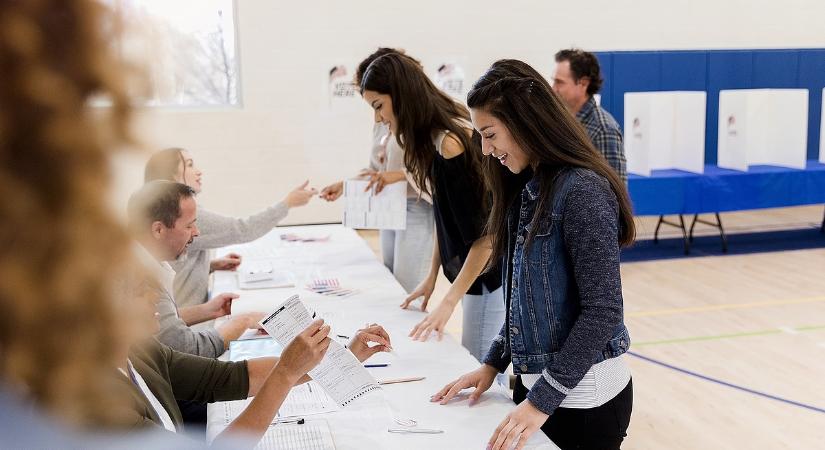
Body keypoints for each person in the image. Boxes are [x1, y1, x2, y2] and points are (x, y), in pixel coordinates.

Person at [432, 60, 635, 450]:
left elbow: (603, 312)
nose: (486, 150)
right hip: (539, 394)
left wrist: (541, 400)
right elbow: (522, 304)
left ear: (525, 122)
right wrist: (492, 364)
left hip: (584, 402)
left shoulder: (583, 191)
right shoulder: (526, 187)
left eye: (490, 135)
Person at [115, 265, 391, 444]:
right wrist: (285, 372)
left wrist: (341, 356)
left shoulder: (140, 351)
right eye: (141, 291)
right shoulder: (104, 405)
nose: (156, 297)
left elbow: (230, 377)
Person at [359, 52, 505, 364]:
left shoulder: (451, 143)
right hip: (473, 272)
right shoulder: (431, 140)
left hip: (487, 274)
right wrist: (431, 276)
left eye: (379, 106)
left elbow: (486, 238)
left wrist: (448, 302)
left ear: (400, 95)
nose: (378, 118)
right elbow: (445, 216)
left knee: (480, 366)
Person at [320, 48, 435, 294]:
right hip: (388, 207)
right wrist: (346, 185)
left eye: (377, 105)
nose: (377, 115)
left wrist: (400, 175)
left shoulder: (421, 121)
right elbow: (375, 169)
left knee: (407, 284)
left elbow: (434, 171)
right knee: (391, 277)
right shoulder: (383, 121)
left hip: (416, 207)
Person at [144, 147, 317, 308]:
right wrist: (287, 203)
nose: (199, 171)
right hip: (189, 321)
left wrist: (211, 265)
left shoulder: (164, 211)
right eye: (189, 165)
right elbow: (243, 229)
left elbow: (176, 265)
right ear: (171, 176)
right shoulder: (181, 215)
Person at [128, 181, 267, 358]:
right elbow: (189, 349)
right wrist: (244, 321)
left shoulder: (140, 258)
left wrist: (209, 310)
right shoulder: (141, 279)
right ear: (158, 230)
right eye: (189, 226)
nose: (197, 232)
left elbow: (163, 324)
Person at [552, 49, 627, 183]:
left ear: (583, 83)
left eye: (560, 82)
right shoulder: (562, 121)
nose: (553, 88)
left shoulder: (604, 129)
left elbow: (616, 187)